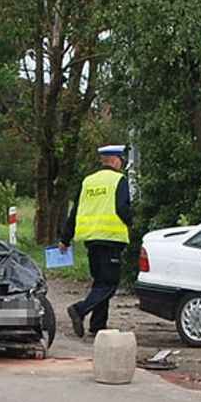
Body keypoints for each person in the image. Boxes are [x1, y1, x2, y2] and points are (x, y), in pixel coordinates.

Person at [60, 144, 133, 338]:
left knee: (100, 282)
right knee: (109, 284)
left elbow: (75, 211)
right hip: (111, 239)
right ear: (115, 160)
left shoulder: (88, 181)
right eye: (121, 161)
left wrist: (65, 238)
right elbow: (122, 208)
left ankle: (97, 325)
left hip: (92, 240)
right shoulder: (119, 180)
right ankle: (79, 309)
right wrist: (132, 220)